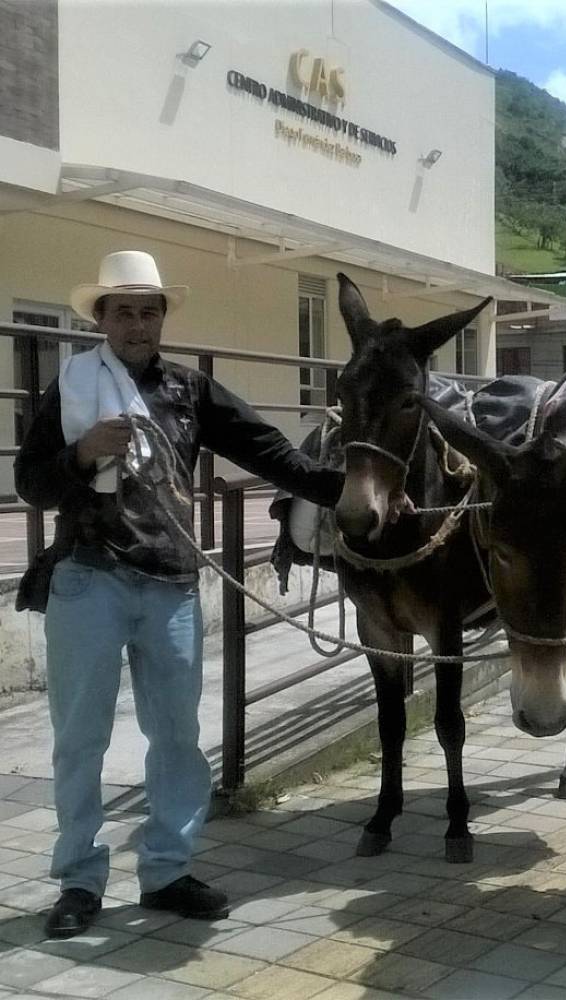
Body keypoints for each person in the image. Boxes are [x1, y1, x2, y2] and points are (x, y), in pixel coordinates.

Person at [15, 250, 343, 939]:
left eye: (149, 310)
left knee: (177, 739)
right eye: (124, 311)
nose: (137, 323)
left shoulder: (190, 391)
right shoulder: (72, 387)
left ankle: (165, 869)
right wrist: (80, 455)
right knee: (81, 740)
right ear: (101, 318)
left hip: (169, 580)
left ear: (163, 318)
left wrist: (347, 493)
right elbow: (31, 484)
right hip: (87, 579)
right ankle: (79, 879)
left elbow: (269, 452)